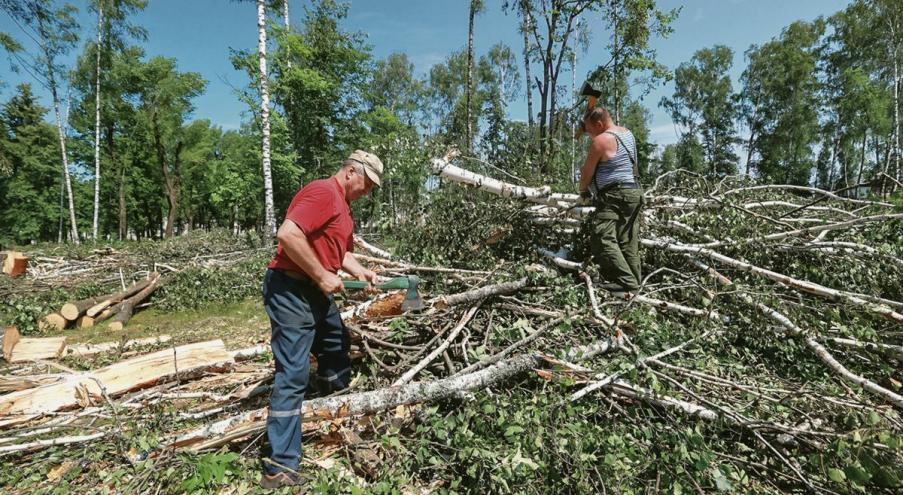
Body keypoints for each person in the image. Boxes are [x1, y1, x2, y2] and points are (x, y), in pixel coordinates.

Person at [260, 150, 383, 489]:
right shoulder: (322, 192)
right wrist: (321, 275)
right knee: (293, 372)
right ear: (350, 171)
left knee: (335, 342)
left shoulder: (342, 206)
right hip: (290, 289)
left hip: (313, 290)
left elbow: (336, 250)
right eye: (367, 183)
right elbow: (288, 234)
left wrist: (360, 270)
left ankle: (330, 412)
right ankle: (280, 465)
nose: (368, 191)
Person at [578, 107, 643, 295]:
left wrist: (583, 191)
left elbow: (586, 175)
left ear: (599, 124)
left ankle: (627, 282)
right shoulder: (627, 134)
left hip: (615, 195)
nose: (590, 135)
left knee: (602, 236)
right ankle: (634, 284)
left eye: (590, 130)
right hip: (633, 192)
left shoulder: (601, 140)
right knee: (627, 239)